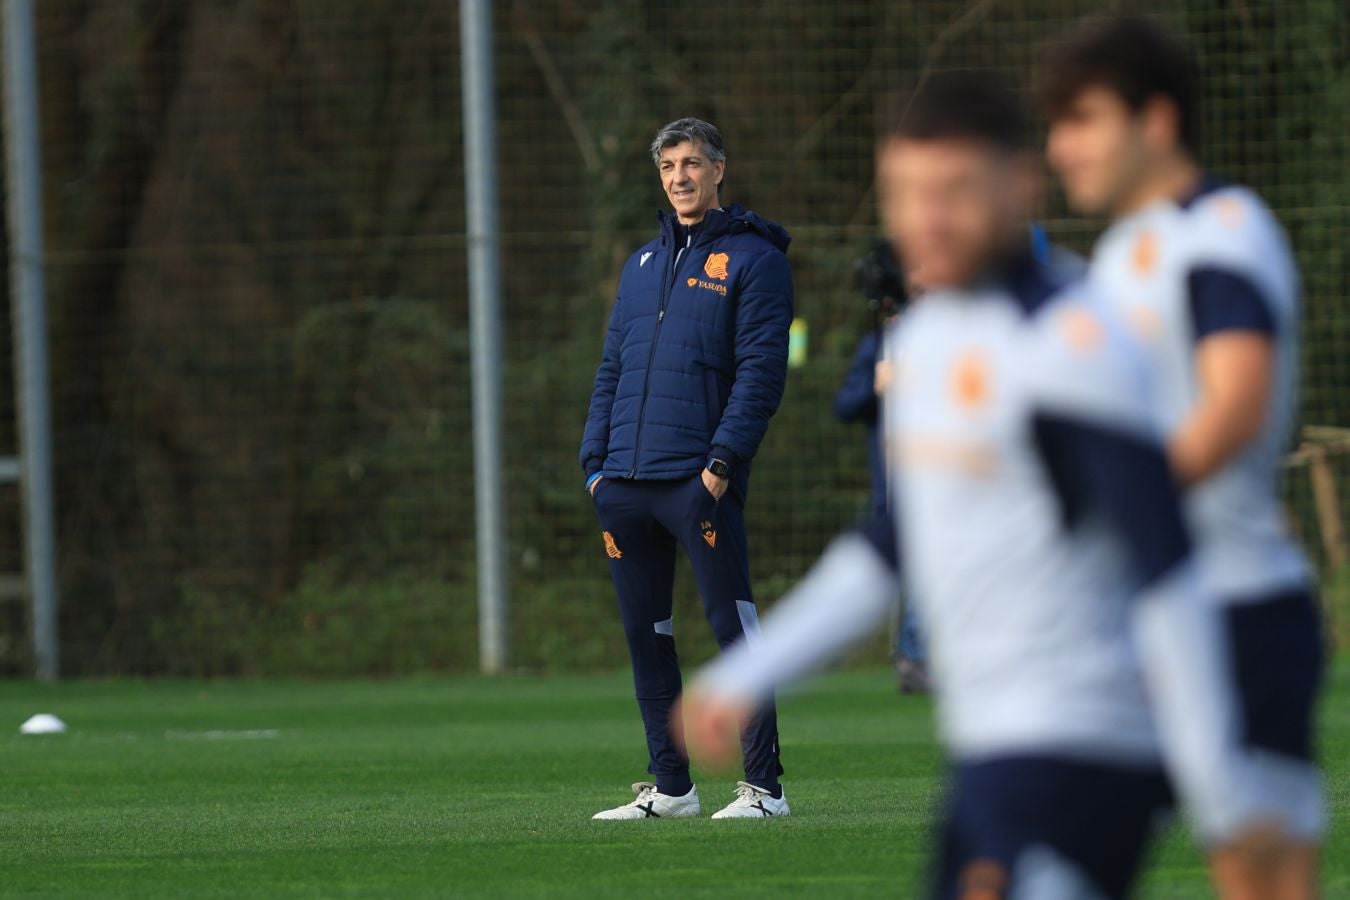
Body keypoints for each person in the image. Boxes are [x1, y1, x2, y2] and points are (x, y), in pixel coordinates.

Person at [676, 70, 1271, 896]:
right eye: (907, 191)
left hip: (1091, 739)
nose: (928, 216)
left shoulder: (1077, 340)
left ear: (1022, 183)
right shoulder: (930, 338)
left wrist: (1216, 783)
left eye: (955, 189)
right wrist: (748, 672)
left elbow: (1164, 559)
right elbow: (893, 541)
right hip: (993, 742)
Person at [1041, 16, 1325, 896]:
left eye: (1082, 119)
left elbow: (1234, 401)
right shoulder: (1129, 250)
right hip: (1166, 607)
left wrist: (1116, 508)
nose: (1060, 147)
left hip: (1230, 610)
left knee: (1262, 871)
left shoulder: (1221, 233)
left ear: (1156, 122)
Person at [579, 117, 794, 820]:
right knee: (648, 640)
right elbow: (611, 368)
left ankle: (765, 789)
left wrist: (721, 463)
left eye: (692, 163)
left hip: (698, 481)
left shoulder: (757, 259)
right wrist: (595, 467)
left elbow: (762, 374)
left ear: (719, 170)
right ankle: (671, 787)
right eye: (669, 165)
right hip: (625, 485)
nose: (680, 176)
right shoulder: (640, 266)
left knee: (735, 633)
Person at [835, 241, 931, 693]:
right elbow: (845, 404)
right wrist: (877, 387)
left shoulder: (945, 338)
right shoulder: (878, 346)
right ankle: (914, 654)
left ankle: (921, 652)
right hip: (892, 477)